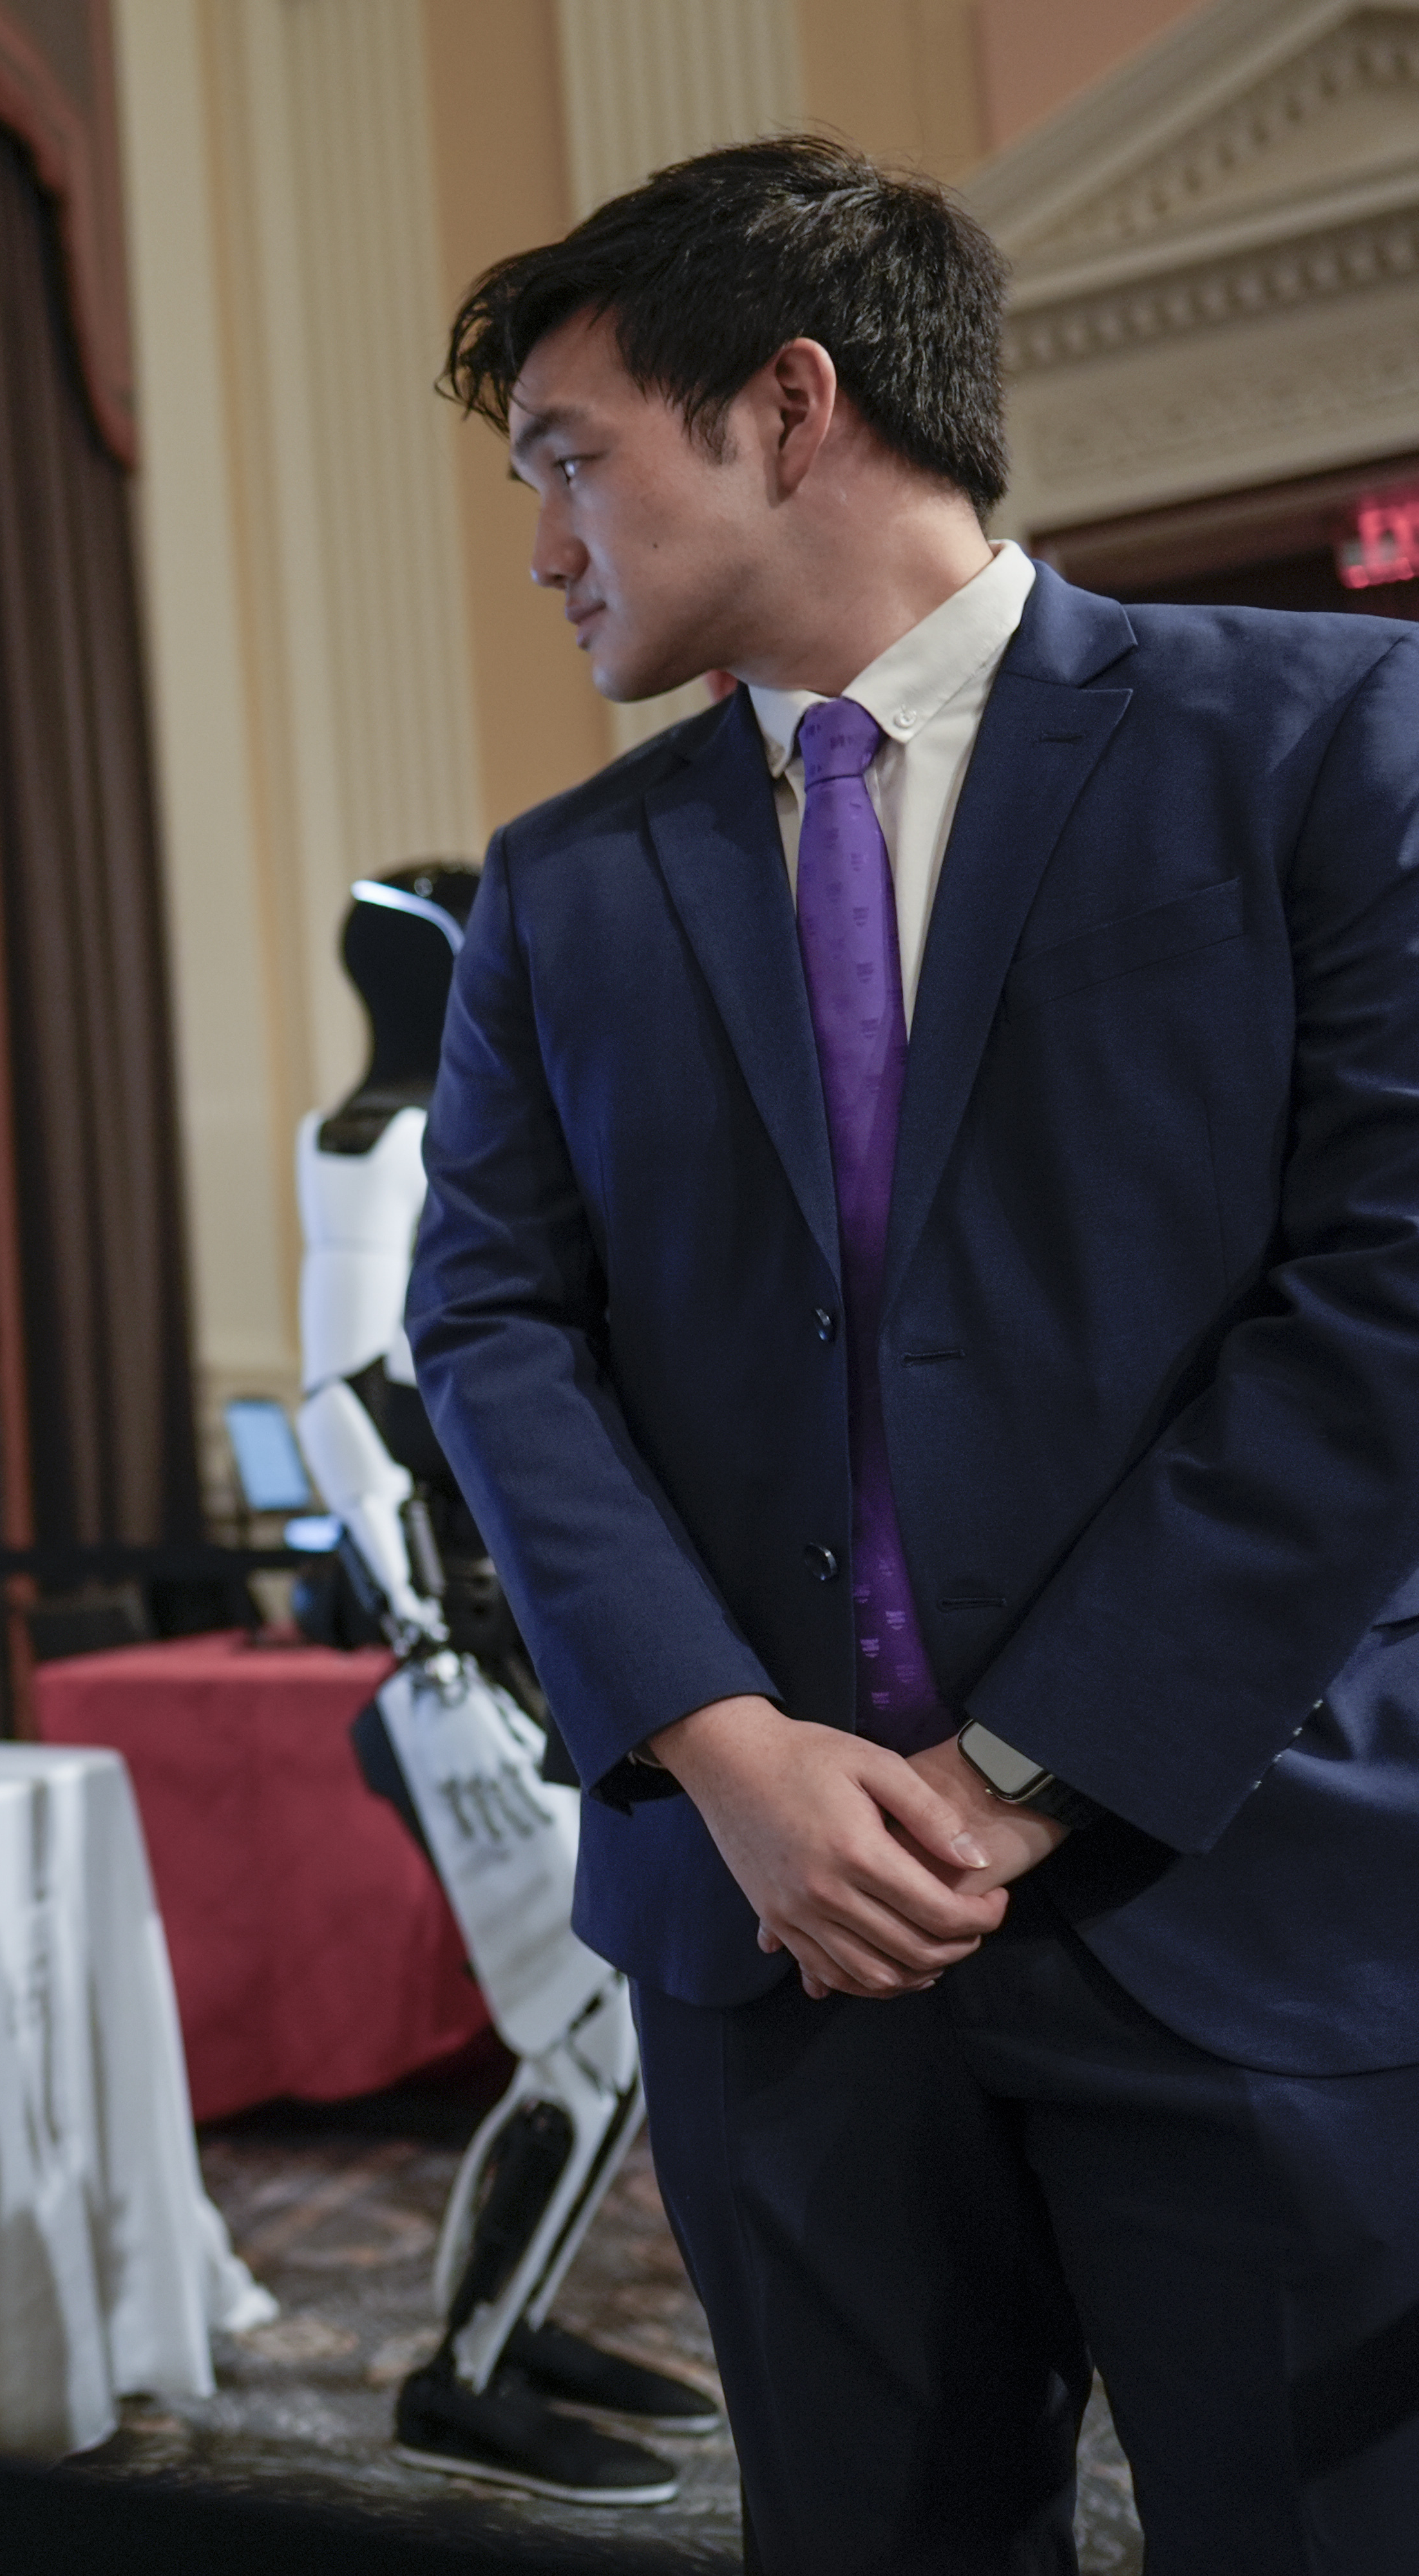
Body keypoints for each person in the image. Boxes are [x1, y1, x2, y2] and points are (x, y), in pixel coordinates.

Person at [412, 135, 1419, 2566]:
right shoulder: (562, 885)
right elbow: (492, 1326)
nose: (540, 541)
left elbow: (1386, 1287)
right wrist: (723, 1747)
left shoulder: (1325, 736)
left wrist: (1019, 1766)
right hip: (770, 1938)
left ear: (787, 404)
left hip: (1240, 1872)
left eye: (567, 458)